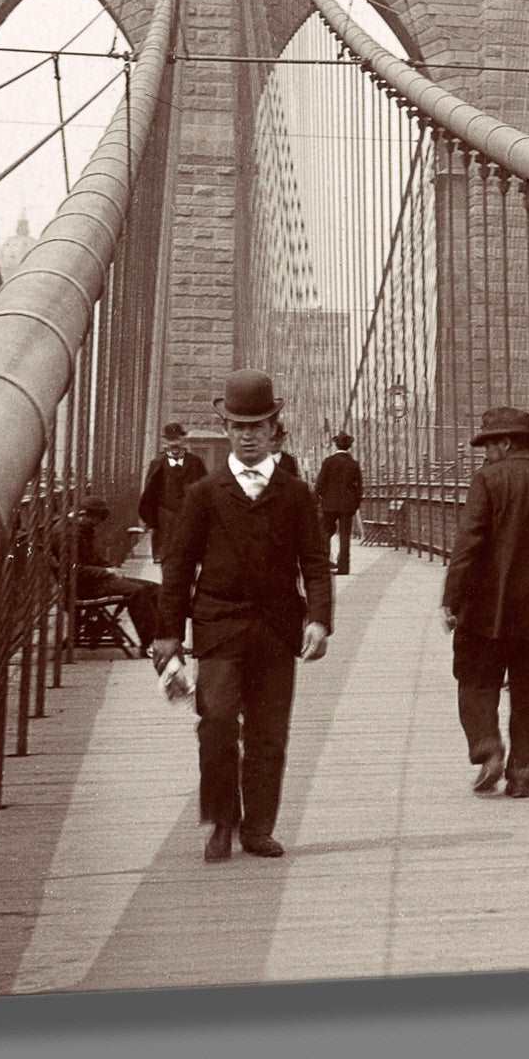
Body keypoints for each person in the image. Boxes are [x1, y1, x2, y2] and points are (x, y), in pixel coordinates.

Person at [153, 370, 333, 863]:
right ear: (227, 430)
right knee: (214, 723)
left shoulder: (296, 494)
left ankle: (257, 828)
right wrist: (167, 634)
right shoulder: (204, 494)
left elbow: (315, 563)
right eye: (238, 426)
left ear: (275, 429)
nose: (248, 435)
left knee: (268, 734)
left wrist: (318, 619)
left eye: (258, 426)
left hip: (277, 629)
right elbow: (178, 566)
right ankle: (221, 820)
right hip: (218, 627)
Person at [441, 405, 529, 799]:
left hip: (488, 610)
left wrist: (452, 598)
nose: (485, 454)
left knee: (475, 681)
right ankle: (522, 771)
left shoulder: (487, 480)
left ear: (503, 443)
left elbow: (468, 544)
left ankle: (488, 746)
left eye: (488, 445)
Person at [70, 500, 161, 652]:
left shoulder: (81, 529)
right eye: (95, 521)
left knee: (154, 588)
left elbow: (92, 558)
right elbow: (73, 569)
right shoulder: (68, 534)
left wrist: (109, 567)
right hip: (83, 586)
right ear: (83, 515)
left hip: (94, 579)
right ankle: (150, 643)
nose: (96, 525)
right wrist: (106, 572)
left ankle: (163, 638)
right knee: (137, 592)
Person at [137, 422, 200, 557]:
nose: (174, 444)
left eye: (177, 439)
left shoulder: (196, 463)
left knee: (187, 558)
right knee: (166, 559)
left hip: (189, 519)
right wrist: (151, 521)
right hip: (164, 520)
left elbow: (205, 492)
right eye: (170, 440)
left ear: (183, 440)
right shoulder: (157, 464)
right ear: (164, 441)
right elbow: (149, 495)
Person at [314, 431, 364, 576]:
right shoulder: (353, 464)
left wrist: (321, 499)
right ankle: (344, 568)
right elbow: (359, 488)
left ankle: (324, 564)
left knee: (325, 533)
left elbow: (320, 484)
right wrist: (355, 505)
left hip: (329, 505)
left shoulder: (328, 461)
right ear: (349, 446)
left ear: (336, 445)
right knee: (345, 536)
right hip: (347, 506)